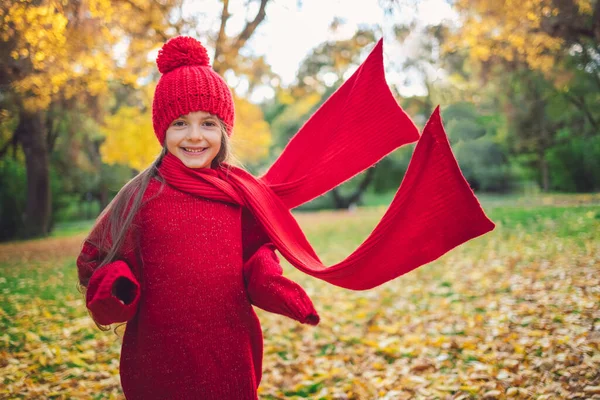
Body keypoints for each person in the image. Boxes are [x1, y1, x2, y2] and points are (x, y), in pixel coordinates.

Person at [77, 36, 494, 400]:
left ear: (224, 131)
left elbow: (257, 256)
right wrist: (116, 287)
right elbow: (95, 260)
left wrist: (271, 284)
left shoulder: (240, 193)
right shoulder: (140, 195)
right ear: (161, 130)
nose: (194, 136)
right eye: (180, 124)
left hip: (228, 352)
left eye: (208, 123)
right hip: (157, 356)